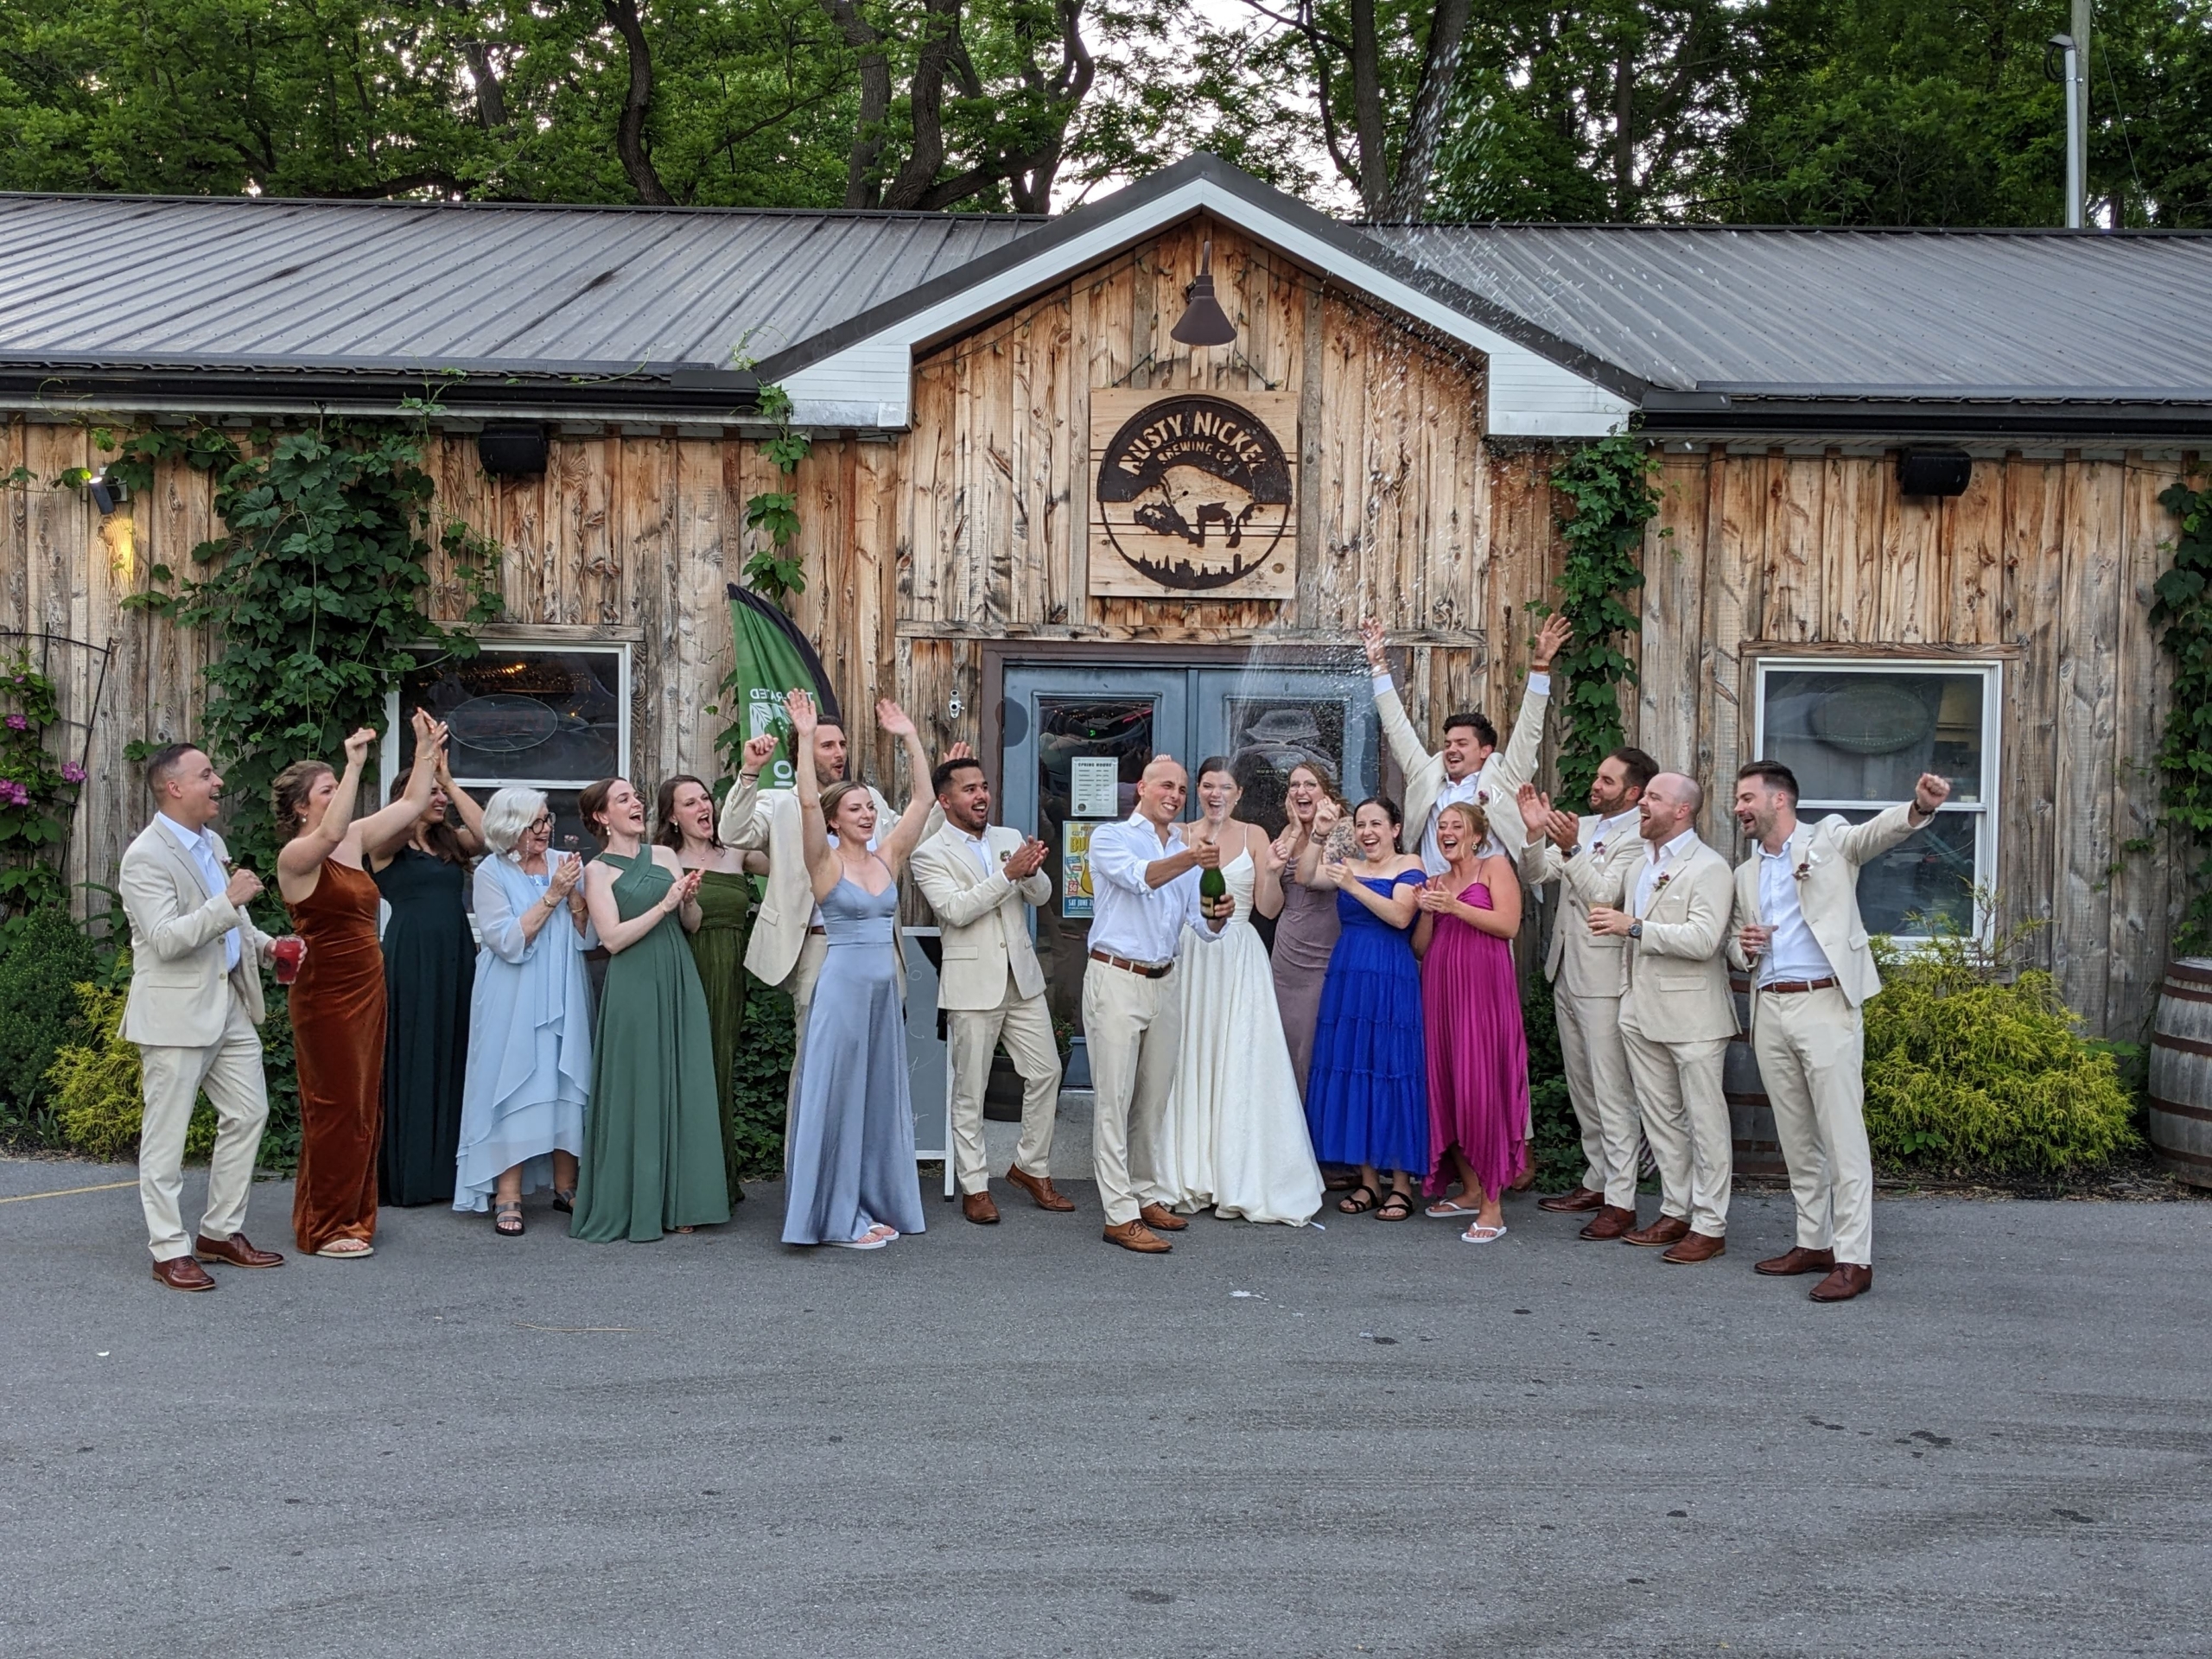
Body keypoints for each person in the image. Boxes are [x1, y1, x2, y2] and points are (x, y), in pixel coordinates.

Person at [1728, 760, 1954, 1304]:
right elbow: (1736, 946)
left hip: (1826, 1003)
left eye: (1745, 799)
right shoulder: (1746, 873)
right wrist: (1745, 948)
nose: (1738, 809)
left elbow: (1875, 834)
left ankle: (1855, 1258)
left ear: (1779, 800)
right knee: (1797, 1137)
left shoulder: (1828, 838)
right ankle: (1815, 1241)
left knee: (1842, 1137)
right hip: (1771, 1009)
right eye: (1737, 801)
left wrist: (1919, 806)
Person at [119, 744, 293, 1292]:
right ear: (174, 787)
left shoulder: (211, 843)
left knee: (248, 1114)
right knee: (166, 1137)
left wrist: (268, 946)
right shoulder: (144, 856)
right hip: (175, 1013)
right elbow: (167, 939)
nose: (217, 782)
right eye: (206, 774)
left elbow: (233, 924)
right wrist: (229, 900)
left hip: (230, 1008)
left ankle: (219, 1232)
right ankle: (169, 1249)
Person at [720, 717, 940, 1145]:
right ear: (803, 751)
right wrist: (748, 773)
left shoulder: (869, 800)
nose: (839, 753)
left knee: (879, 1066)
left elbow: (914, 831)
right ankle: (807, 1177)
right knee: (816, 1065)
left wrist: (932, 788)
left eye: (842, 743)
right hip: (820, 949)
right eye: (827, 745)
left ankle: (870, 1175)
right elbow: (732, 833)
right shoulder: (780, 803)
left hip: (879, 953)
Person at [274, 714, 443, 1259]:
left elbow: (413, 805)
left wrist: (423, 751)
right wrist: (352, 764)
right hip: (324, 992)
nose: (339, 794)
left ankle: (351, 1214)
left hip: (367, 986)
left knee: (363, 1105)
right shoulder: (298, 856)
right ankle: (325, 1226)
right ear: (303, 805)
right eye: (327, 790)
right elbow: (326, 834)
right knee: (335, 1106)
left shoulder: (355, 839)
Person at [780, 690, 938, 1249]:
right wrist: (803, 739)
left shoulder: (887, 856)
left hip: (882, 996)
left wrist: (910, 737)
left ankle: (874, 1201)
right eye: (856, 808)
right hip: (843, 991)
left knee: (877, 1102)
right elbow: (803, 803)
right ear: (834, 819)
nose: (868, 814)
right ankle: (835, 1218)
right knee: (839, 1101)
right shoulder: (823, 863)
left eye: (870, 806)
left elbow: (923, 799)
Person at [1151, 758, 1323, 1226]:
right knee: (1185, 1056)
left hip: (1240, 955)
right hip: (1190, 953)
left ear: (1239, 793)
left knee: (1240, 1058)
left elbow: (1269, 908)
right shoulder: (1178, 836)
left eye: (1224, 786)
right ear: (1198, 791)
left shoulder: (1255, 837)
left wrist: (1269, 872)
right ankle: (1183, 1171)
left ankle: (1237, 1173)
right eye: (1206, 786)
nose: (1215, 794)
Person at [1081, 756, 1236, 1254]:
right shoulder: (1110, 838)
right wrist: (1193, 859)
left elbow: (1202, 926)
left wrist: (1219, 916)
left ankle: (1144, 1193)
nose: (1175, 794)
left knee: (1153, 1100)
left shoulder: (1183, 849)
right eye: (1166, 785)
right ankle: (1118, 1214)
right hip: (1116, 977)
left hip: (1164, 980)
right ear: (1141, 790)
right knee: (1113, 1099)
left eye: (1182, 789)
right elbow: (1138, 879)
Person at [909, 753, 1070, 1225]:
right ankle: (975, 1185)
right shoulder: (929, 853)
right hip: (971, 984)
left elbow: (1040, 897)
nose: (981, 796)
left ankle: (1031, 1167)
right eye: (969, 789)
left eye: (983, 787)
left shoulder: (1008, 838)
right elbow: (955, 911)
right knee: (970, 1090)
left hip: (1021, 978)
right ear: (946, 799)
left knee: (1047, 1072)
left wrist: (1033, 870)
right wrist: (1008, 875)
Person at [569, 776, 730, 1243]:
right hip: (634, 984)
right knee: (641, 1085)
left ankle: (682, 1199)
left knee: (683, 1081)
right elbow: (613, 939)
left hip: (677, 974)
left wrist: (689, 902)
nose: (636, 803)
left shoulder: (662, 856)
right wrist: (664, 904)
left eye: (636, 797)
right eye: (623, 799)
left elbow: (692, 925)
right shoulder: (597, 872)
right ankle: (635, 1199)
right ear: (602, 817)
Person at [1586, 772, 1738, 1265]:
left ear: (1683, 811)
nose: (1643, 804)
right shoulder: (1639, 866)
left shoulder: (1710, 867)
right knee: (1662, 1120)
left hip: (1695, 1015)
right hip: (1642, 1012)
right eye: (1644, 794)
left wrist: (1633, 926)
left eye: (1654, 797)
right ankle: (1675, 1209)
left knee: (1705, 1123)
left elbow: (1704, 941)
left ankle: (1710, 1224)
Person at [1515, 747, 1659, 1240]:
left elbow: (1605, 896)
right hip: (1567, 971)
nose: (1596, 786)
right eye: (1597, 778)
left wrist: (1574, 849)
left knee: (1611, 1090)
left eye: (1607, 781)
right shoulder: (1590, 827)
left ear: (1634, 792)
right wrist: (1535, 834)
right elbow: (1536, 875)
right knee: (1583, 1088)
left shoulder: (1640, 838)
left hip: (1605, 980)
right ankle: (1597, 1179)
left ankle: (1622, 1200)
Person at [453, 788, 594, 1235]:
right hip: (511, 991)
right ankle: (507, 1192)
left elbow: (588, 940)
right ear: (509, 827)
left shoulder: (565, 864)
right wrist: (553, 896)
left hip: (563, 984)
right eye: (535, 823)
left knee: (562, 1073)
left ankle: (566, 1184)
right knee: (512, 1078)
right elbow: (507, 942)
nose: (546, 829)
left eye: (547, 819)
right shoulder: (491, 871)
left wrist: (576, 902)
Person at [1303, 798, 1430, 1222]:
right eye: (1360, 824)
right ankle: (1368, 1180)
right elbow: (1306, 876)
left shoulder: (1409, 862)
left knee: (1392, 1069)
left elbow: (1399, 916)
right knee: (1355, 1066)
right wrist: (1319, 834)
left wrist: (1353, 885)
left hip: (1390, 974)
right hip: (1350, 974)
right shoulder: (1349, 863)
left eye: (1376, 823)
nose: (1367, 831)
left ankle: (1401, 1184)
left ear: (1395, 828)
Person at [1360, 610, 1568, 868]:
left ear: (1485, 751)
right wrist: (1379, 664)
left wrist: (1540, 665)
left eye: (1461, 743)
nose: (1451, 750)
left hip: (1484, 896)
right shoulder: (1425, 774)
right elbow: (1396, 727)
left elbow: (1529, 730)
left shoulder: (1507, 778)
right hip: (1431, 894)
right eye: (1447, 744)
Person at [368, 753, 485, 1208]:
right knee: (413, 1051)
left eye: (440, 794)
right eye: (430, 792)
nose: (438, 800)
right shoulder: (385, 846)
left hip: (457, 954)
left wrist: (451, 783)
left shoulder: (451, 843)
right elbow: (395, 824)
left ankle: (449, 1173)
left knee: (455, 1050)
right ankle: (407, 1173)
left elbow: (488, 835)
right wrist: (421, 790)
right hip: (410, 957)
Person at [1413, 801, 1528, 1244]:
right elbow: (1423, 947)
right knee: (1447, 1087)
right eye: (1441, 826)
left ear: (1476, 834)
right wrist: (1428, 909)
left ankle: (1492, 1207)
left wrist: (1456, 908)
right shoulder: (1437, 882)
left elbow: (1508, 925)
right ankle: (1469, 1188)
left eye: (1456, 825)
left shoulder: (1493, 866)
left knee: (1482, 1090)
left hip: (1484, 995)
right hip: (1441, 991)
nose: (1447, 831)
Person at [658, 772, 764, 1208]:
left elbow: (801, 864)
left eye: (706, 799)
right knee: (686, 1072)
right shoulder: (664, 858)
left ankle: (717, 1179)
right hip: (685, 967)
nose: (704, 807)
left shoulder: (737, 852)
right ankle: (684, 1187)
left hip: (730, 973)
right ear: (672, 816)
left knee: (719, 1070)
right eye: (690, 803)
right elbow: (686, 922)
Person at [1269, 760, 1345, 1097]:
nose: (1301, 791)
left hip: (1323, 951)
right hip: (1285, 955)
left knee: (1311, 1045)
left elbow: (1319, 881)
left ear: (1326, 792)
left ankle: (1315, 1135)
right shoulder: (1287, 833)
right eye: (1294, 785)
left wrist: (1315, 834)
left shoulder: (1343, 829)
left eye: (1310, 784)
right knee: (1283, 1045)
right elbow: (1270, 904)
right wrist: (1294, 835)